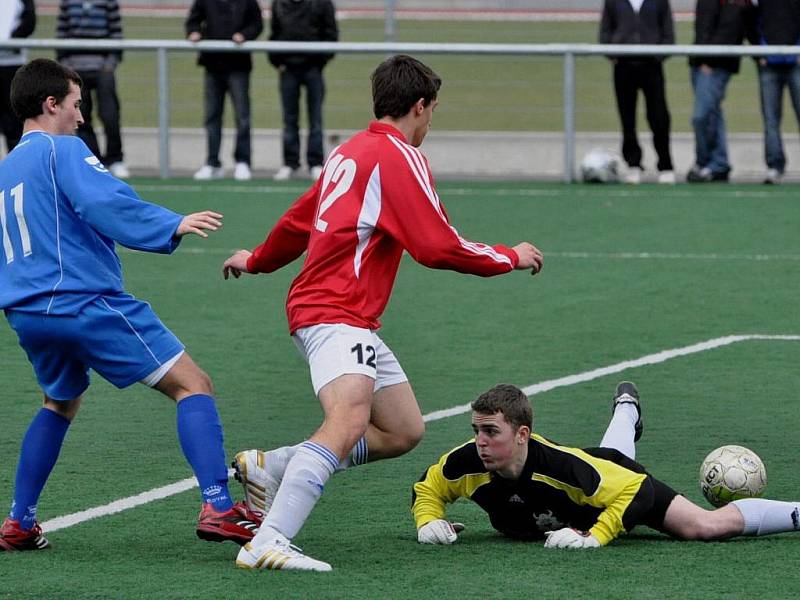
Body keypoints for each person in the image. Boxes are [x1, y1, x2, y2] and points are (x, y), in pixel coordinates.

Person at [222, 54, 544, 571]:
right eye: (432, 112)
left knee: (401, 429)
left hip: (336, 312)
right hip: (336, 311)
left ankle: (271, 466)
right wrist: (510, 256)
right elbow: (437, 245)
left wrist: (257, 260)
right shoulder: (399, 156)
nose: (430, 124)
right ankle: (268, 541)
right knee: (346, 421)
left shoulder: (350, 152)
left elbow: (299, 219)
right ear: (419, 106)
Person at [0, 59, 261, 553]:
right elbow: (103, 201)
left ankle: (20, 521)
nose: (81, 117)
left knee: (60, 401)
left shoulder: (6, 166)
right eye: (76, 105)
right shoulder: (63, 149)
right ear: (50, 104)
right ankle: (219, 506)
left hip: (26, 312)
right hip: (82, 301)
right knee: (193, 384)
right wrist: (169, 224)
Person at [411, 382, 800, 548]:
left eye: (491, 431)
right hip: (598, 479)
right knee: (602, 467)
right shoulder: (466, 462)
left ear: (522, 434)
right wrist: (428, 522)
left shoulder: (562, 468)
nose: (480, 441)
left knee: (704, 527)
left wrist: (596, 536)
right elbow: (427, 488)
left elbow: (635, 489)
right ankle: (627, 410)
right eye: (476, 430)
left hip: (619, 489)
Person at [599, 0, 676, 184]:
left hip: (652, 66)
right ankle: (633, 164)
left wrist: (658, 55)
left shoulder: (659, 2)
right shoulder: (613, 2)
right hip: (624, 66)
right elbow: (605, 31)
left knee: (659, 117)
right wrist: (613, 53)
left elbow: (668, 33)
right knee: (627, 119)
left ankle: (665, 165)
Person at [186, 0, 264, 181]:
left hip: (238, 65)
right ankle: (212, 162)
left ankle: (242, 162)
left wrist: (245, 35)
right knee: (212, 116)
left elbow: (257, 24)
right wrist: (194, 32)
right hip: (212, 65)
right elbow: (193, 20)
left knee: (242, 117)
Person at [687, 0, 757, 183]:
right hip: (698, 62)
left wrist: (709, 61)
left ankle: (704, 162)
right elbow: (702, 27)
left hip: (715, 65)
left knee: (701, 116)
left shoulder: (738, 3)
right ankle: (719, 163)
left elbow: (731, 29)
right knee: (712, 113)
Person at [268, 0, 338, 181]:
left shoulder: (322, 3)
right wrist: (278, 61)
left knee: (315, 118)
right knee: (289, 118)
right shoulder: (279, 3)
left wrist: (320, 61)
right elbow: (274, 33)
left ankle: (315, 162)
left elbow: (331, 34)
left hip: (313, 68)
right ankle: (290, 163)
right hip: (288, 69)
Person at [754, 0, 800, 184]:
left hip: (796, 61)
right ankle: (775, 165)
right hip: (769, 63)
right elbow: (750, 19)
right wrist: (759, 52)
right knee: (770, 119)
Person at [0, 0, 35, 156]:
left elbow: (29, 21)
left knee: (14, 115)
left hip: (12, 63)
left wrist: (11, 40)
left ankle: (16, 164)